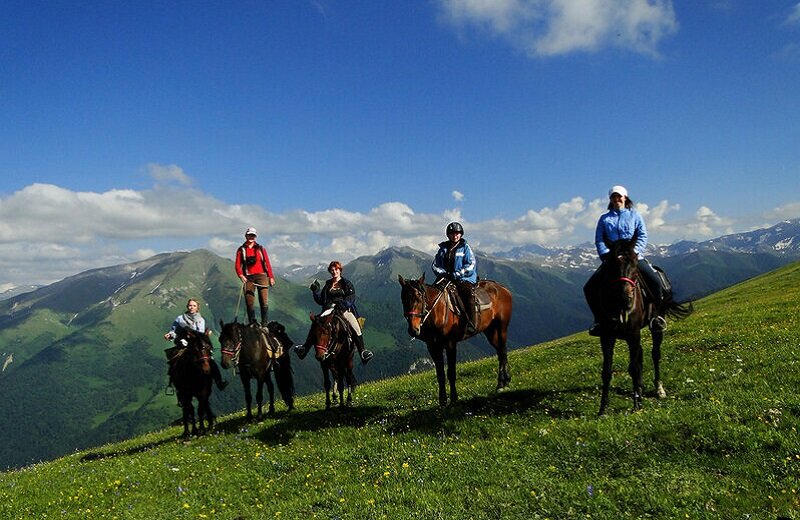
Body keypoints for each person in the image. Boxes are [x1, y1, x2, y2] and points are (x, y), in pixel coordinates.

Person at [583, 185, 667, 336]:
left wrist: (633, 253)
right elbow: (599, 239)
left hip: (633, 257)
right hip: (613, 259)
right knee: (589, 287)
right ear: (610, 199)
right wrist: (606, 255)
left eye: (619, 196)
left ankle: (656, 317)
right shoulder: (604, 219)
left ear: (625, 197)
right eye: (613, 197)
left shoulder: (635, 215)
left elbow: (642, 235)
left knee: (655, 281)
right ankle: (599, 321)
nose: (616, 199)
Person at [295, 261, 373, 364]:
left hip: (344, 310)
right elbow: (321, 300)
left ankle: (362, 351)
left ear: (340, 270)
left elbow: (351, 298)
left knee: (356, 326)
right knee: (316, 323)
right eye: (332, 270)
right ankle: (304, 348)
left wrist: (342, 304)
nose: (334, 272)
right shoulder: (328, 284)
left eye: (336, 269)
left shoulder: (346, 283)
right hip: (329, 310)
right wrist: (316, 291)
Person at [164, 298, 228, 391]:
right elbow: (174, 331)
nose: (191, 307)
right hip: (183, 344)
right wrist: (169, 335)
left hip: (195, 345)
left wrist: (195, 337)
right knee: (175, 360)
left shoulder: (200, 320)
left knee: (211, 360)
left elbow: (200, 333)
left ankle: (219, 382)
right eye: (190, 305)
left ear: (197, 308)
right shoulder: (179, 319)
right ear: (187, 306)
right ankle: (172, 383)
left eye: (194, 306)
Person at [431, 221, 478, 336]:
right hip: (446, 277)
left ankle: (471, 323)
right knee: (432, 293)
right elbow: (435, 265)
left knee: (468, 295)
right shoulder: (443, 249)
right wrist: (444, 273)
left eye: (457, 233)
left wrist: (458, 273)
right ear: (448, 235)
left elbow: (471, 264)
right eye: (452, 233)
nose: (455, 235)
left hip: (464, 279)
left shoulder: (465, 248)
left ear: (461, 234)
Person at [234, 227, 275, 327]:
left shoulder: (260, 249)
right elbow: (237, 264)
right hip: (248, 277)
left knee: (263, 300)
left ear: (255, 237)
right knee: (249, 301)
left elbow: (267, 263)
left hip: (261, 276)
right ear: (246, 236)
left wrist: (271, 277)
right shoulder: (241, 249)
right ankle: (252, 322)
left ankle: (264, 323)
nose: (251, 237)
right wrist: (240, 275)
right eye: (249, 235)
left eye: (253, 235)